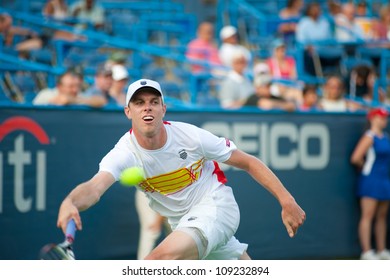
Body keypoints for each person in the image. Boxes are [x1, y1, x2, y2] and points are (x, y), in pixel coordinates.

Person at [56, 78, 306, 260]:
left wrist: (287, 200)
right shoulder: (124, 153)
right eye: (139, 102)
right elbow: (94, 187)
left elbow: (249, 162)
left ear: (163, 109)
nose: (147, 107)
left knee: (156, 263)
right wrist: (71, 202)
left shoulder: (191, 136)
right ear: (128, 111)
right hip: (183, 223)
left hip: (216, 206)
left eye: (154, 102)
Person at [350, 107, 390, 260]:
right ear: (373, 118)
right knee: (368, 215)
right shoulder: (369, 137)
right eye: (381, 117)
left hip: (384, 180)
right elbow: (356, 158)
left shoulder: (385, 136)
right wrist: (366, 167)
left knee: (382, 216)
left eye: (385, 117)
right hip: (371, 180)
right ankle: (367, 252)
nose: (384, 120)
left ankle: (382, 250)